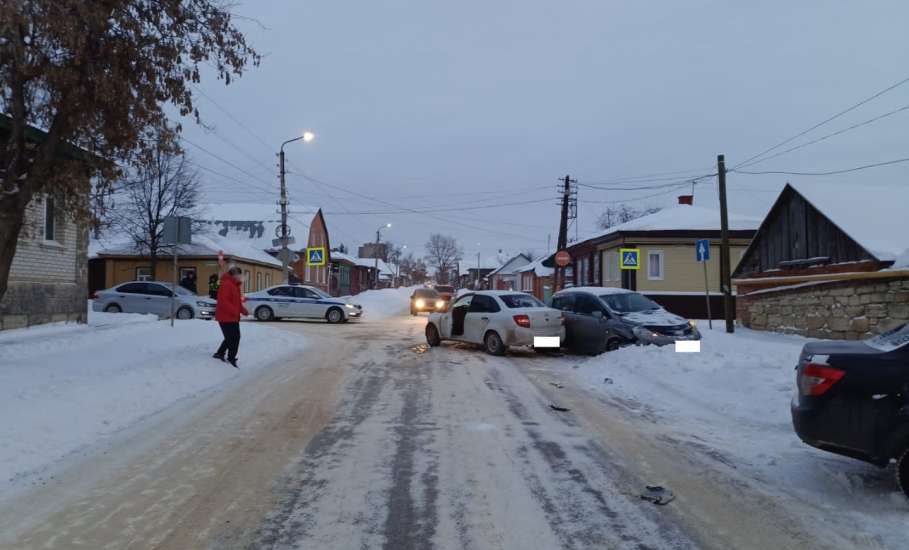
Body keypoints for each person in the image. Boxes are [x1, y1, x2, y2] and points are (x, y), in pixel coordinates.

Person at [213, 266, 247, 368]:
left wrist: (242, 310)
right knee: (234, 337)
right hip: (225, 317)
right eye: (239, 274)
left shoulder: (234, 285)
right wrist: (235, 311)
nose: (241, 277)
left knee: (231, 337)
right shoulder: (226, 284)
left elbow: (236, 302)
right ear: (234, 275)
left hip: (232, 316)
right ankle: (231, 358)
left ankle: (219, 353)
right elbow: (223, 301)